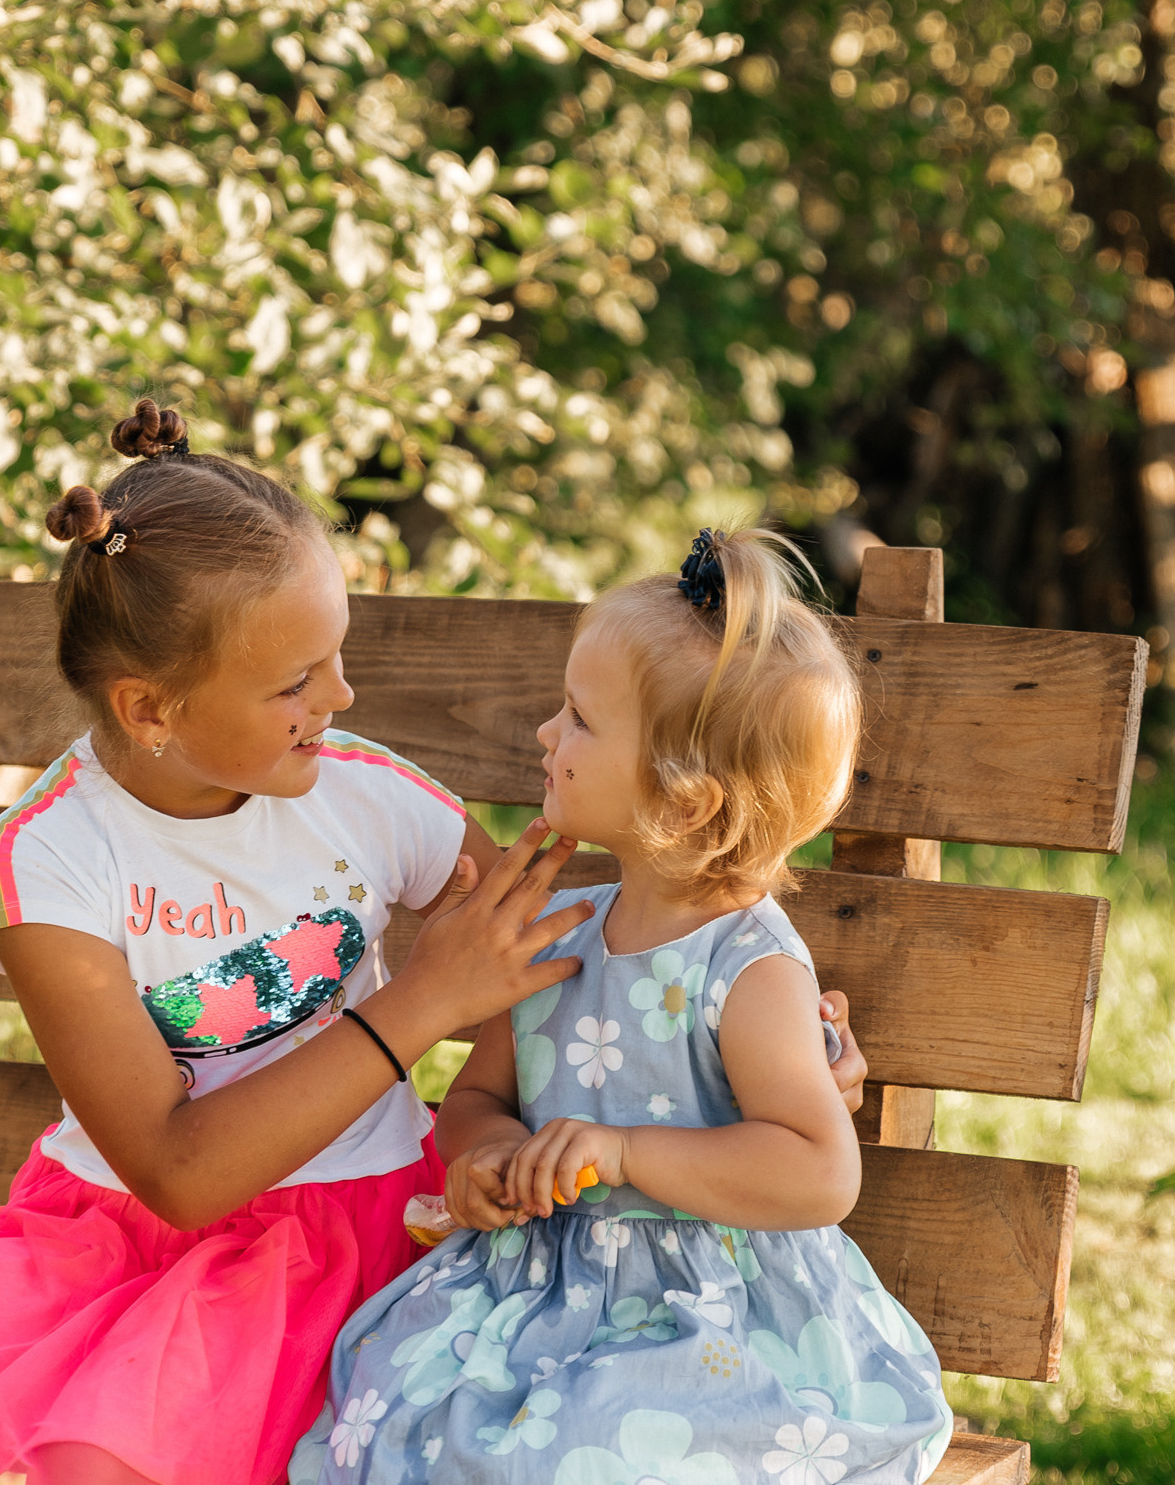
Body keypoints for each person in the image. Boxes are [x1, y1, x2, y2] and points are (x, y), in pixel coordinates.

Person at [0, 407, 876, 1485]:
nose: (341, 699)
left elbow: (569, 951)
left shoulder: (367, 797)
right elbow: (178, 1173)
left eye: (336, 657)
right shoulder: (46, 862)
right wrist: (420, 1006)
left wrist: (790, 1053)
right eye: (296, 683)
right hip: (102, 1230)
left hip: (328, 1235)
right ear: (151, 710)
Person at [294, 526, 955, 1485]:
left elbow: (818, 1172)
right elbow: (478, 1099)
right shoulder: (557, 931)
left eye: (579, 720)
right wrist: (480, 1159)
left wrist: (623, 1154)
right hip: (537, 1292)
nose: (545, 736)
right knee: (399, 1418)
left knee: (587, 1452)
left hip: (707, 1314)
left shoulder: (750, 967)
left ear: (683, 801)